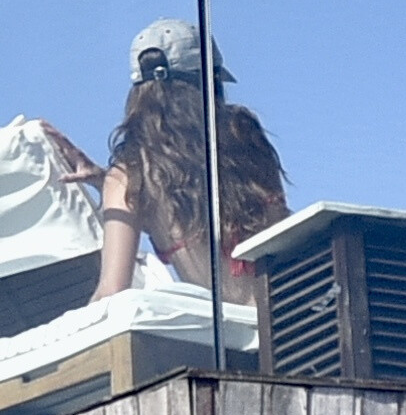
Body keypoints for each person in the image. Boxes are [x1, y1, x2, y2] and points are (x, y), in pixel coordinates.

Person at [46, 18, 289, 306]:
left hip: (236, 330)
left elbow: (112, 291)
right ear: (208, 80)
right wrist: (108, 182)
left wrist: (112, 184)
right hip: (295, 307)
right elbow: (224, 213)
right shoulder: (242, 132)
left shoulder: (129, 175)